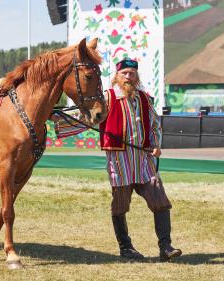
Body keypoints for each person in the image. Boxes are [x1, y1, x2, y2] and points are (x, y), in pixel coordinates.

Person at [51, 58, 182, 261]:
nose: (128, 77)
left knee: (160, 201)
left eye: (132, 73)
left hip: (143, 160)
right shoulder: (108, 97)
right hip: (120, 162)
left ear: (136, 76)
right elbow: (88, 116)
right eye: (125, 73)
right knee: (120, 205)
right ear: (117, 76)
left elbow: (155, 124)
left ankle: (166, 247)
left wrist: (156, 145)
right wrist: (59, 118)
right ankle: (126, 247)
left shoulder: (145, 99)